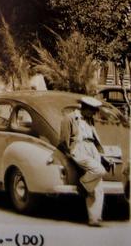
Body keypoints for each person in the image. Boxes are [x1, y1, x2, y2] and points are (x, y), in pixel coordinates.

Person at [60, 96, 108, 227]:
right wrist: (70, 154)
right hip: (79, 148)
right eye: (93, 110)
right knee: (99, 170)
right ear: (85, 108)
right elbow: (63, 140)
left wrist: (101, 153)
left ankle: (94, 218)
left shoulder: (90, 120)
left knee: (98, 185)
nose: (94, 113)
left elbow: (93, 137)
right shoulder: (70, 118)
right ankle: (83, 184)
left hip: (92, 149)